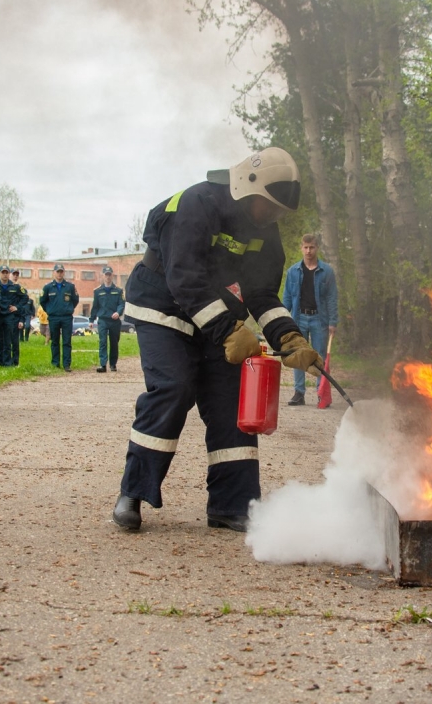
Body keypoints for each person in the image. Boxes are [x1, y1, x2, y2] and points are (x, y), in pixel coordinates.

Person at [113, 147, 321, 533]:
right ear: (248, 186)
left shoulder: (265, 230)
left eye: (279, 210)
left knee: (230, 400)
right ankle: (133, 493)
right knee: (175, 387)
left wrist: (289, 336)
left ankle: (232, 505)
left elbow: (261, 294)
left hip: (215, 316)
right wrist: (228, 330)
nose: (273, 216)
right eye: (269, 207)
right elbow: (184, 278)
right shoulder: (196, 203)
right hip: (164, 306)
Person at [281, 234, 338, 406]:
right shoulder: (293, 271)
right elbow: (287, 297)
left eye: (312, 247)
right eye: (305, 247)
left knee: (319, 356)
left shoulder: (326, 271)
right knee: (299, 355)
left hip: (319, 319)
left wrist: (333, 321)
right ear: (301, 248)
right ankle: (299, 392)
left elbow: (331, 298)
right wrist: (283, 320)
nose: (308, 251)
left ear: (317, 248)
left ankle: (321, 393)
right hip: (298, 318)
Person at [40, 263, 78, 371]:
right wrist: (50, 310)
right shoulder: (48, 287)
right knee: (55, 341)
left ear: (64, 273)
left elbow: (75, 300)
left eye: (61, 271)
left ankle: (67, 364)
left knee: (67, 341)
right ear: (54, 272)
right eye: (58, 271)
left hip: (66, 317)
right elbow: (43, 301)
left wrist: (68, 308)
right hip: (54, 317)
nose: (59, 274)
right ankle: (55, 363)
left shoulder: (70, 287)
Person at [90, 266, 125, 373]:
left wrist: (118, 313)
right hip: (103, 320)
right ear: (103, 276)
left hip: (114, 321)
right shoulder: (98, 291)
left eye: (109, 274)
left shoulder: (118, 290)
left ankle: (113, 364)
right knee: (103, 342)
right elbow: (95, 306)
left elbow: (121, 304)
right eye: (106, 274)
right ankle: (103, 364)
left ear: (112, 276)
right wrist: (91, 320)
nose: (108, 277)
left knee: (114, 342)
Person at [0, 265, 17, 366]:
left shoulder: (14, 286)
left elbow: (24, 298)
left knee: (7, 339)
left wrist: (16, 307)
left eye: (6, 272)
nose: (5, 274)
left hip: (9, 315)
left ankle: (7, 362)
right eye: (3, 272)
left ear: (9, 274)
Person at [9, 268, 26, 356]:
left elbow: (24, 302)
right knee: (4, 341)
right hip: (5, 316)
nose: (15, 276)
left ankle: (15, 361)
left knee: (15, 341)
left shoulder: (19, 288)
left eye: (17, 275)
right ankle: (5, 360)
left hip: (15, 317)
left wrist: (21, 319)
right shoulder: (3, 286)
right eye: (14, 274)